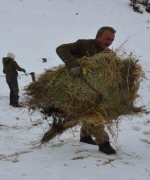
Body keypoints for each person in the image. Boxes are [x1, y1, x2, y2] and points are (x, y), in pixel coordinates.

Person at [56, 26, 117, 155]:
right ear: (98, 36)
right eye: (107, 38)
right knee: (95, 115)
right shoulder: (83, 44)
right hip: (78, 88)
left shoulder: (108, 53)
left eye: (112, 39)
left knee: (90, 112)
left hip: (96, 90)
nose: (110, 42)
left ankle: (85, 136)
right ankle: (103, 143)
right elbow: (61, 49)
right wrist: (73, 65)